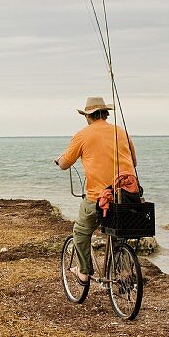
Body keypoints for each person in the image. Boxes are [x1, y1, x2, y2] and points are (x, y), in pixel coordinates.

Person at [54, 96, 137, 283]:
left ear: (88, 116)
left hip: (98, 198)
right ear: (106, 114)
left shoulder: (83, 135)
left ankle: (83, 271)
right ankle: (124, 273)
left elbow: (65, 163)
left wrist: (59, 160)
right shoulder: (121, 132)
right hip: (127, 197)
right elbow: (134, 162)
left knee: (81, 231)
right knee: (117, 233)